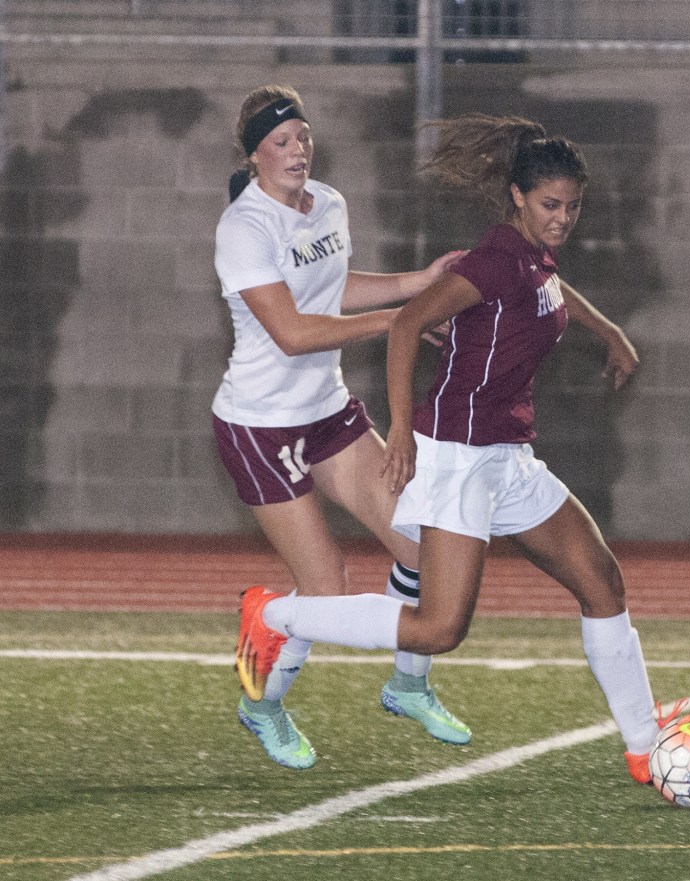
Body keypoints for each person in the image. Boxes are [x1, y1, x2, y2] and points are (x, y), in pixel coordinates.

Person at [381, 113, 690, 783]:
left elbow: (552, 289)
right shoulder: (494, 260)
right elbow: (406, 322)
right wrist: (397, 426)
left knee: (602, 580)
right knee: (438, 626)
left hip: (506, 453)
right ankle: (284, 614)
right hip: (459, 451)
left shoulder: (537, 255)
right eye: (550, 205)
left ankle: (641, 745)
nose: (564, 217)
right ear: (517, 197)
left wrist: (608, 329)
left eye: (572, 205)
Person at [213, 84, 470, 771]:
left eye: (303, 137)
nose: (297, 151)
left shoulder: (327, 203)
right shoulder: (244, 227)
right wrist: (402, 321)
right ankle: (262, 698)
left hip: (327, 411)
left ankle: (407, 685)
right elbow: (294, 331)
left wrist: (420, 281)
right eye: (281, 142)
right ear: (254, 154)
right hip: (259, 427)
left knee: (419, 542)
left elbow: (333, 287)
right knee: (324, 586)